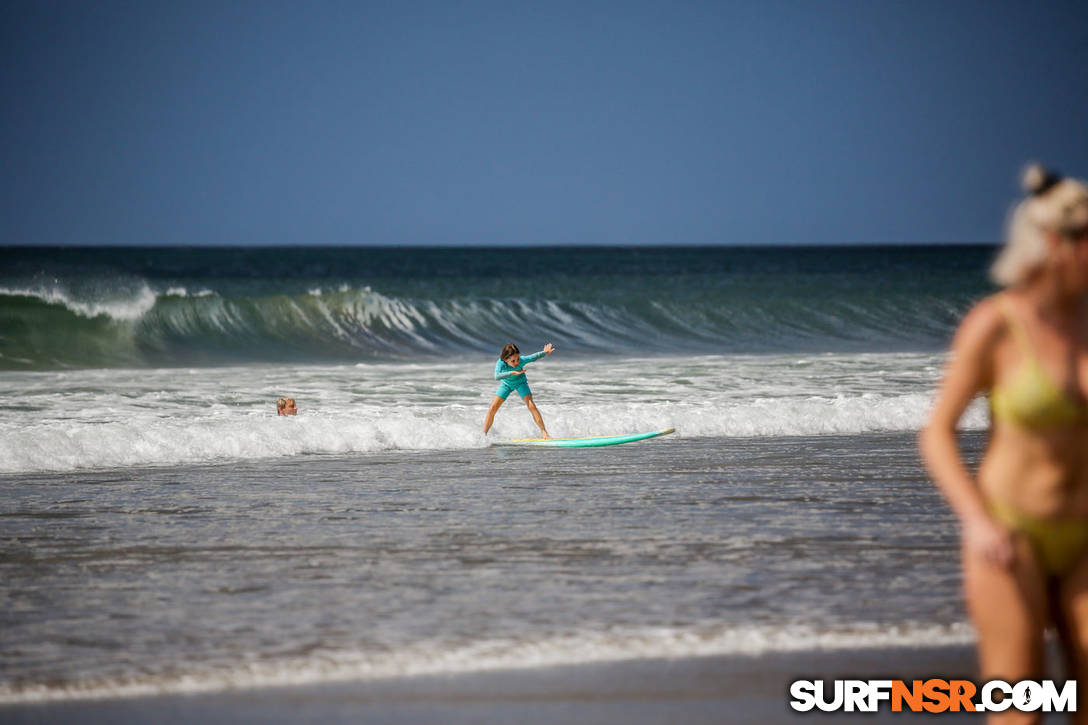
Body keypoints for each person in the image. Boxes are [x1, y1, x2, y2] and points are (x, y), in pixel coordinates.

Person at [920, 163, 1088, 718]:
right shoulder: (996, 324)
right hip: (1010, 536)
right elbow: (938, 432)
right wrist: (976, 519)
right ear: (1053, 243)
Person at [482, 342, 556, 437]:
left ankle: (544, 432)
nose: (516, 362)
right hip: (506, 385)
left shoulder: (521, 360)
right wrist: (512, 373)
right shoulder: (500, 363)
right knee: (492, 408)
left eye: (517, 359)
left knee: (531, 406)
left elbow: (533, 357)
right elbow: (496, 376)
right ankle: (484, 435)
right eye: (513, 361)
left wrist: (544, 352)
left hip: (521, 383)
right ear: (505, 359)